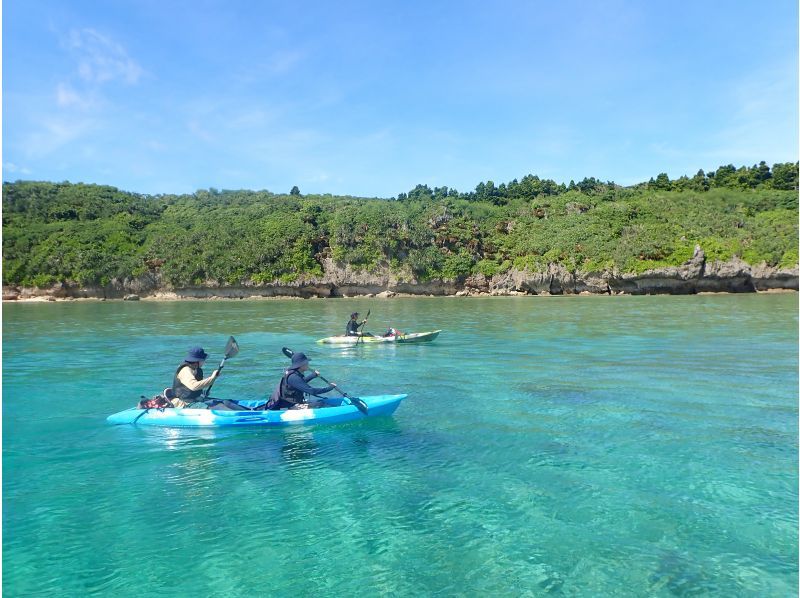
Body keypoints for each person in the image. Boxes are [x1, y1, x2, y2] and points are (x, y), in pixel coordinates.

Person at [170, 346, 248, 410]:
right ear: (197, 361)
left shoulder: (196, 369)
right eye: (203, 360)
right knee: (221, 407)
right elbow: (193, 386)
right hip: (186, 403)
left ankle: (250, 411)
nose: (204, 362)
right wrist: (212, 378)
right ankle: (246, 416)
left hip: (196, 399)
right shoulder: (185, 370)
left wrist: (202, 392)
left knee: (226, 402)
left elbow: (191, 389)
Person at [266, 352, 337, 410]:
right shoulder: (293, 377)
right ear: (301, 365)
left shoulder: (294, 373)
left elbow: (301, 383)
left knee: (321, 402)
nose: (308, 364)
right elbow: (312, 391)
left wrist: (313, 375)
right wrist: (330, 388)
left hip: (292, 402)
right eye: (306, 363)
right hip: (290, 405)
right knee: (322, 405)